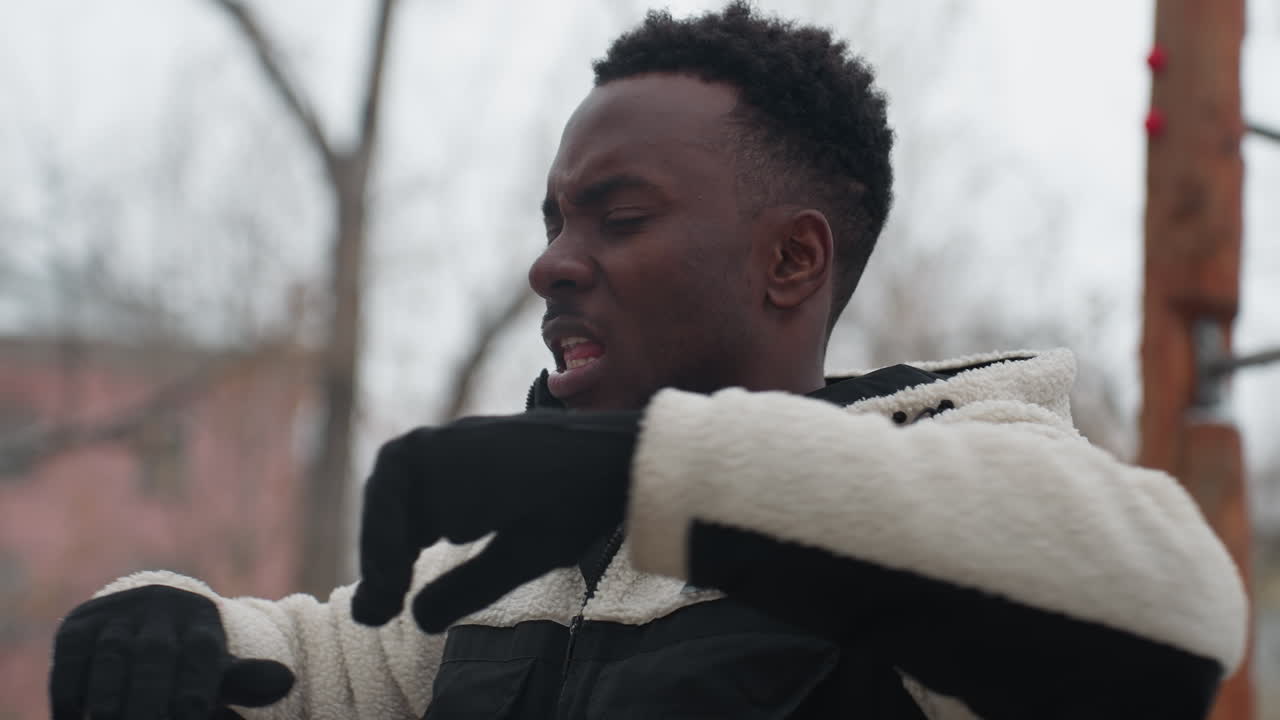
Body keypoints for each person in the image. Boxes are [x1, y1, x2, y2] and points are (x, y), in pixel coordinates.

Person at [50, 3, 1246, 719]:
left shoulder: (957, 462)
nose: (553, 266)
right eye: (551, 221)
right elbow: (328, 664)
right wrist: (158, 620)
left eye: (616, 220)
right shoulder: (512, 573)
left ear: (791, 260)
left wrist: (655, 469)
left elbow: (1172, 613)